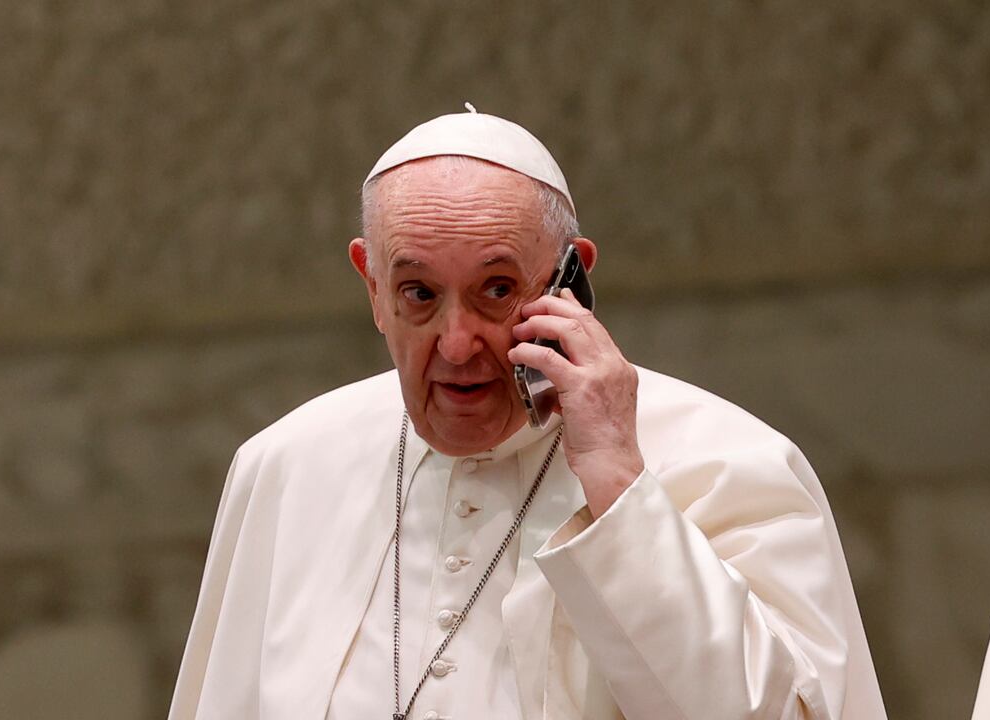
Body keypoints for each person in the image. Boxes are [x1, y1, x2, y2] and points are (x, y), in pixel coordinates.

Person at [169, 107, 887, 720]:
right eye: (418, 293)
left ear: (572, 276)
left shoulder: (729, 459)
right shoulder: (289, 464)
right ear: (373, 288)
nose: (457, 342)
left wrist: (618, 487)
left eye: (497, 288)